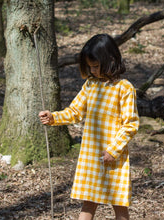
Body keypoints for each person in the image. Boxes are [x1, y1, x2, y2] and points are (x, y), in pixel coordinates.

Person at [39, 34, 139, 220]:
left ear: (110, 60)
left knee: (119, 204)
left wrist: (114, 150)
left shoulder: (124, 88)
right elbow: (75, 111)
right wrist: (54, 117)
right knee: (89, 201)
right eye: (90, 67)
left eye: (95, 66)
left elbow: (131, 124)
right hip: (91, 155)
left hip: (113, 157)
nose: (92, 71)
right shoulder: (90, 85)